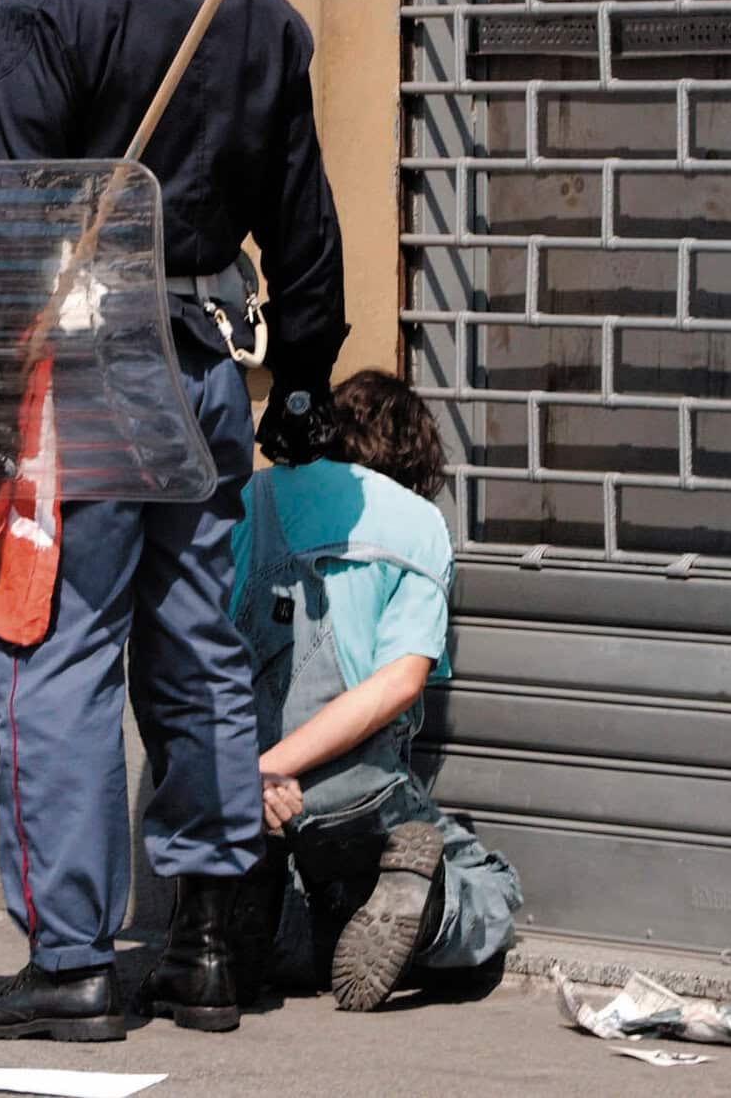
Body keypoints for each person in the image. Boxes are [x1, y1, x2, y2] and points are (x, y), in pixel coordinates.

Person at [0, 0, 346, 1042]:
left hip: (82, 374)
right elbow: (308, 232)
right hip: (209, 369)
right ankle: (210, 947)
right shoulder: (259, 16)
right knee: (197, 646)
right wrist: (304, 383)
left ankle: (69, 959)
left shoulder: (41, 15)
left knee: (53, 646)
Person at [227, 370, 522, 1012]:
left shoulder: (251, 497)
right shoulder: (417, 522)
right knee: (491, 888)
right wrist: (274, 768)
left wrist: (240, 775)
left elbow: (198, 646)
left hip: (241, 789)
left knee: (305, 912)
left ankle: (256, 923)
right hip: (348, 788)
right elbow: (399, 682)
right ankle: (429, 907)